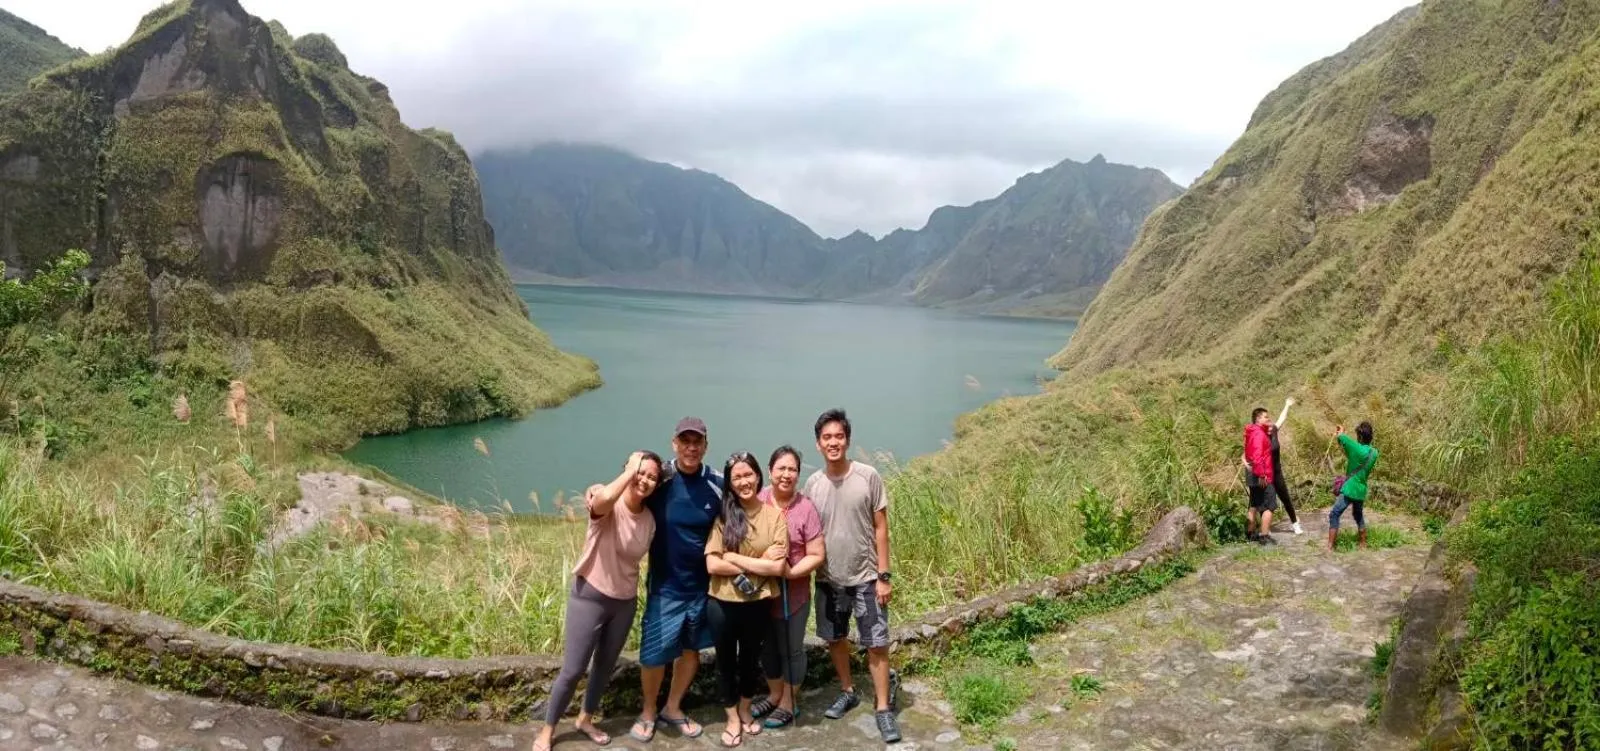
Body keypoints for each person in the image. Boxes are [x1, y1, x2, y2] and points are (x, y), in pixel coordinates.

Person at [532, 451, 663, 751]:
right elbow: (600, 501)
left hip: (624, 602)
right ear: (628, 471)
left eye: (652, 477)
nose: (644, 480)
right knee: (574, 668)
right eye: (640, 473)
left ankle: (585, 719)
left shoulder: (650, 520)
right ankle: (548, 729)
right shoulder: (607, 501)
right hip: (589, 596)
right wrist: (630, 471)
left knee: (604, 666)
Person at [806, 408, 902, 744]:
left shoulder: (868, 476)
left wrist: (884, 575)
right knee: (835, 638)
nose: (833, 442)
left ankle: (882, 707)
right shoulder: (813, 484)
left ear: (847, 439)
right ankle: (847, 690)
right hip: (829, 578)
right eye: (826, 437)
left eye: (839, 436)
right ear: (818, 444)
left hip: (866, 576)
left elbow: (881, 528)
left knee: (876, 642)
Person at [631, 417, 722, 743]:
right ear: (675, 444)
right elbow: (628, 493)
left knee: (690, 652)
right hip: (664, 588)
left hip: (701, 589)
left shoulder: (715, 482)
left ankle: (673, 707)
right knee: (653, 654)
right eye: (685, 441)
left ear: (705, 446)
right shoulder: (661, 479)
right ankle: (648, 711)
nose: (691, 447)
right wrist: (596, 490)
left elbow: (746, 501)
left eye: (697, 442)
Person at [704, 451, 789, 748]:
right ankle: (731, 718)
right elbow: (712, 564)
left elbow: (778, 567)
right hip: (722, 603)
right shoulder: (724, 516)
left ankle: (744, 708)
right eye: (737, 477)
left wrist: (734, 557)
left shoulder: (774, 515)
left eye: (747, 474)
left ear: (757, 476)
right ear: (730, 482)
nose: (744, 481)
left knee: (750, 661)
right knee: (726, 662)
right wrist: (758, 560)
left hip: (758, 602)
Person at [751, 446, 825, 730]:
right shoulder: (758, 501)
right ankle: (774, 694)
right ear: (769, 472)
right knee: (767, 649)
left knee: (791, 649)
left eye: (792, 469)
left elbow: (817, 554)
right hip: (761, 595)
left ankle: (789, 702)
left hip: (792, 595)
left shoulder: (805, 508)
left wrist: (791, 571)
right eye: (780, 468)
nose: (786, 474)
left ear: (798, 473)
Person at [1328, 421, 1379, 551]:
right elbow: (1348, 447)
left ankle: (1330, 547)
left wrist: (1341, 431)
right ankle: (1363, 543)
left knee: (1334, 514)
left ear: (1360, 437)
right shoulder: (1374, 452)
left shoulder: (1356, 448)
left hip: (1350, 488)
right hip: (1361, 489)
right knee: (1358, 514)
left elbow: (1341, 436)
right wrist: (1342, 436)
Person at [1267, 397, 1304, 535]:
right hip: (1265, 474)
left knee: (1285, 498)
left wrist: (1287, 405)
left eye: (1271, 424)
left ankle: (1295, 524)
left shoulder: (1274, 431)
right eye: (1268, 425)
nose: (1271, 426)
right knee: (1268, 501)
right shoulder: (1261, 437)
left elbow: (1281, 418)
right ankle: (1265, 528)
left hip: (1277, 472)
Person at [1243, 407, 1279, 545]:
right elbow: (1258, 456)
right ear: (1258, 418)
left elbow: (1248, 453)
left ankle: (1250, 534)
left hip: (1253, 473)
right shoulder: (1258, 434)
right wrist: (1262, 475)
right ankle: (1264, 536)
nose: (1268, 419)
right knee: (1269, 506)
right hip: (1262, 474)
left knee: (1254, 504)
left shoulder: (1251, 432)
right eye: (1265, 417)